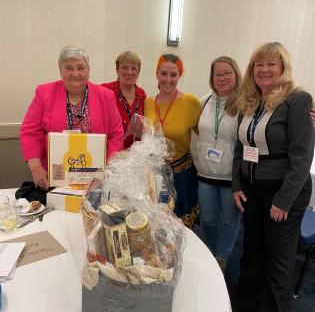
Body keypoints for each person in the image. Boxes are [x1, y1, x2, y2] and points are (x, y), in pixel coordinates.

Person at [232, 42, 314, 312]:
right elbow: (240, 148)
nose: (264, 70)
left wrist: (284, 200)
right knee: (252, 252)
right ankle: (245, 304)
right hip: (253, 190)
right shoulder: (250, 100)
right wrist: (236, 185)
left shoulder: (297, 100)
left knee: (279, 260)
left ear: (282, 68)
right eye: (259, 64)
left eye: (271, 64)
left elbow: (302, 157)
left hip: (284, 193)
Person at [20, 46, 124, 190]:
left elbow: (116, 135)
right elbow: (30, 132)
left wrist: (108, 171)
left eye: (81, 67)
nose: (75, 73)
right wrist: (36, 168)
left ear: (88, 70)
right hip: (55, 178)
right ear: (60, 71)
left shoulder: (106, 96)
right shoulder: (44, 93)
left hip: (95, 180)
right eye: (69, 68)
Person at [191, 56, 242, 273]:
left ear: (236, 75)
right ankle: (211, 250)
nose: (222, 78)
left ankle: (222, 257)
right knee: (209, 219)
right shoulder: (203, 102)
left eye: (227, 73)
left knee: (229, 221)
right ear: (212, 77)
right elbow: (194, 128)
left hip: (232, 177)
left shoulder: (245, 103)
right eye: (217, 74)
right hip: (205, 174)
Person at [144, 54, 201, 228]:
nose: (168, 80)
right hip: (156, 174)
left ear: (180, 76)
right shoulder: (148, 102)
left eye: (173, 75)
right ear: (156, 74)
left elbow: (207, 135)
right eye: (164, 73)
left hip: (181, 175)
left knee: (180, 225)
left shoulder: (190, 102)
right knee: (156, 223)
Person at [101, 51, 146, 149]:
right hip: (111, 154)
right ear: (117, 70)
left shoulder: (141, 94)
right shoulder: (105, 90)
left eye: (134, 68)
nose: (129, 72)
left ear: (138, 72)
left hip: (135, 156)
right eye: (124, 67)